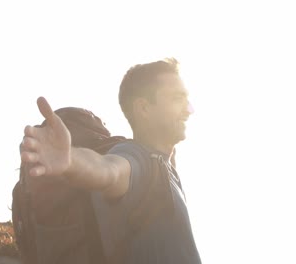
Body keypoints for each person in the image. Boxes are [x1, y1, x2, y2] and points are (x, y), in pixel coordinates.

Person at [21, 58, 201, 264]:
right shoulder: (137, 158)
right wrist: (70, 159)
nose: (189, 110)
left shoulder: (163, 167)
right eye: (177, 99)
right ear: (143, 108)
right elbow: (109, 171)